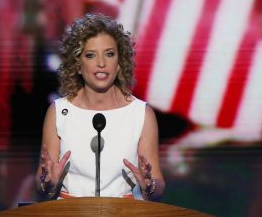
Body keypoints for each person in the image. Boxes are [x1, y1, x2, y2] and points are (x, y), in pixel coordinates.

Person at [35, 13, 165, 200]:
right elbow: (41, 181)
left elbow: (157, 185)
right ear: (78, 65)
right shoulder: (59, 112)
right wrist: (47, 183)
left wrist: (149, 185)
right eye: (90, 55)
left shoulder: (141, 114)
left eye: (109, 54)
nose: (101, 63)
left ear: (119, 63)